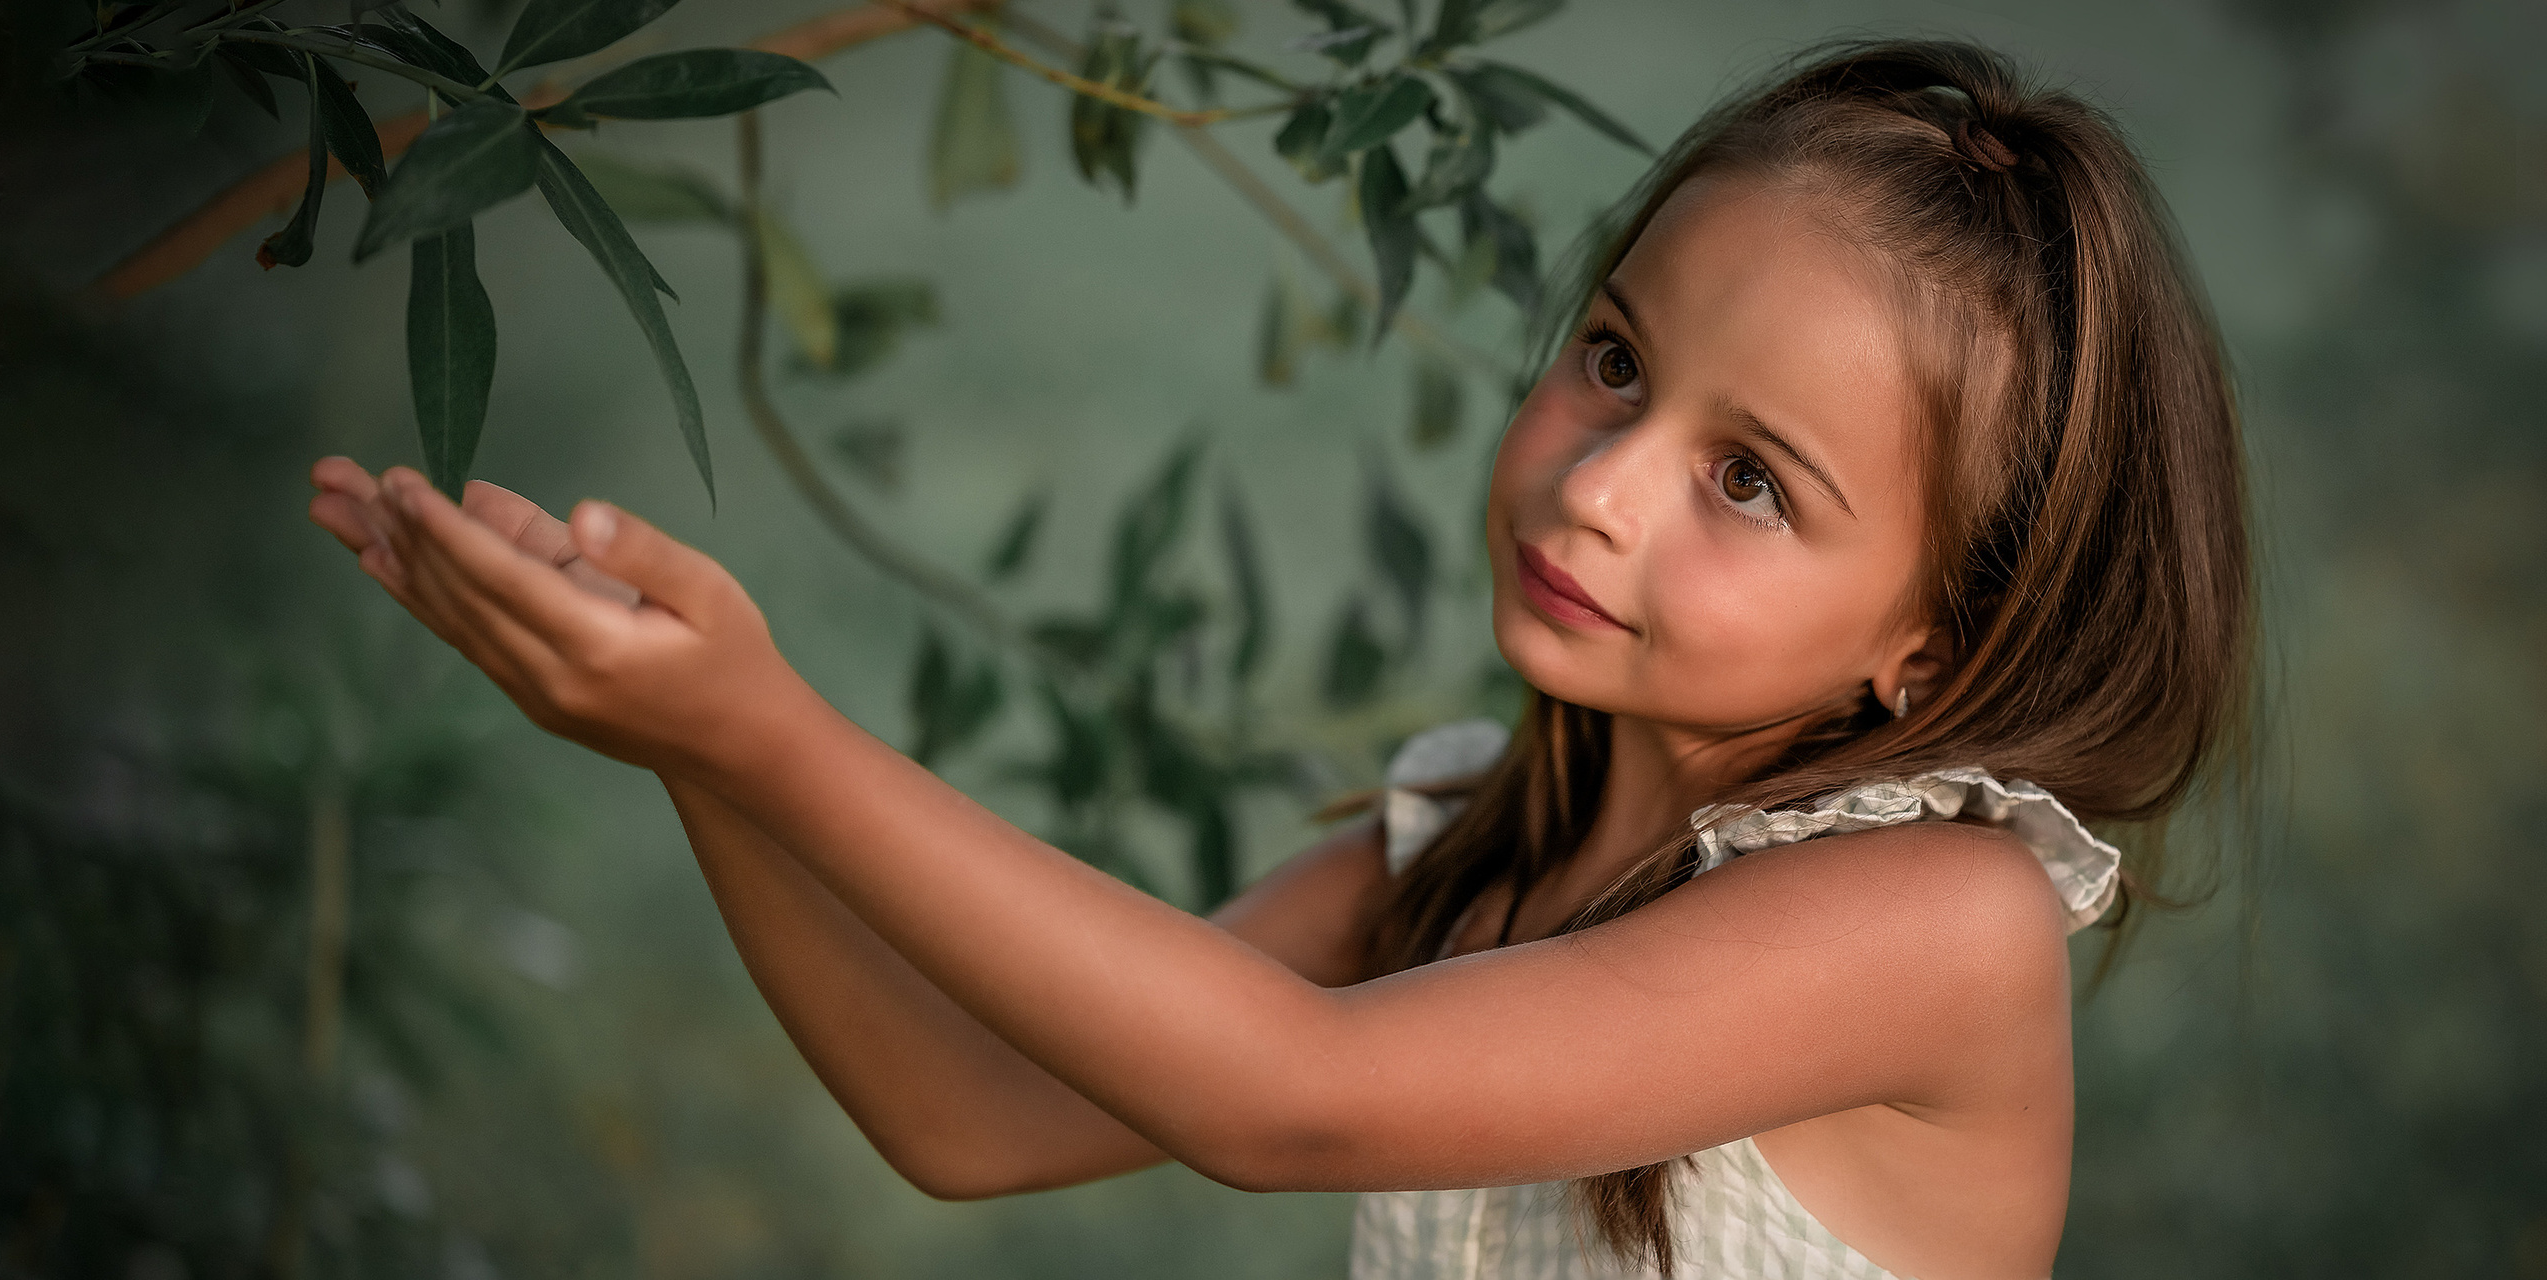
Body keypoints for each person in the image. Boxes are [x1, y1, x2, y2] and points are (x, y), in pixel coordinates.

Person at [308, 37, 2249, 1280]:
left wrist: (773, 728)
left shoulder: (1936, 923)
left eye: (1745, 477)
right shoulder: (1450, 862)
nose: (1596, 488)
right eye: (1613, 362)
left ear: (1945, 632)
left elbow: (1281, 1098)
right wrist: (695, 744)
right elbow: (964, 1119)